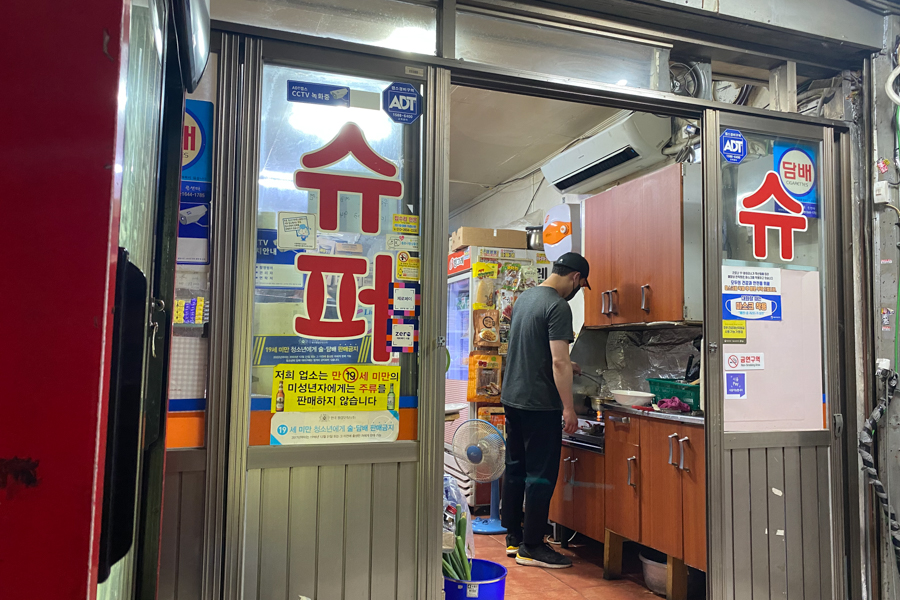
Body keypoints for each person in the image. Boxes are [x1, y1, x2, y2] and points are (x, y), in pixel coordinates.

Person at [500, 252, 590, 569]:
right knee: (540, 475)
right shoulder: (558, 305)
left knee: (516, 467)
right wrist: (569, 409)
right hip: (540, 404)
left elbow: (534, 349)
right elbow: (558, 361)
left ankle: (513, 537)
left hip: (513, 397)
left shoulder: (526, 298)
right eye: (581, 284)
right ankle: (534, 546)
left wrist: (569, 365)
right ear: (577, 278)